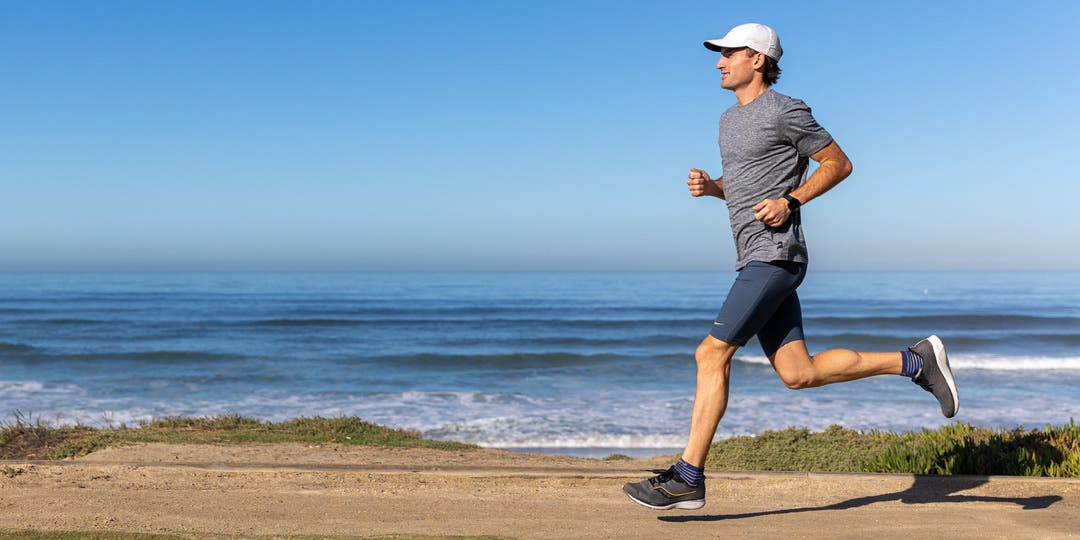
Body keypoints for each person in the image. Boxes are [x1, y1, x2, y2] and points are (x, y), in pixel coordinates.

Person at [623, 23, 959, 511]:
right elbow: (746, 180)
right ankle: (915, 360)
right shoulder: (727, 120)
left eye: (728, 54)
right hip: (753, 256)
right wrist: (714, 188)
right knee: (799, 373)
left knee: (709, 355)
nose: (719, 62)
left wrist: (791, 200)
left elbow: (838, 164)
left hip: (775, 255)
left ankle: (688, 477)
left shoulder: (786, 110)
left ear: (756, 59)